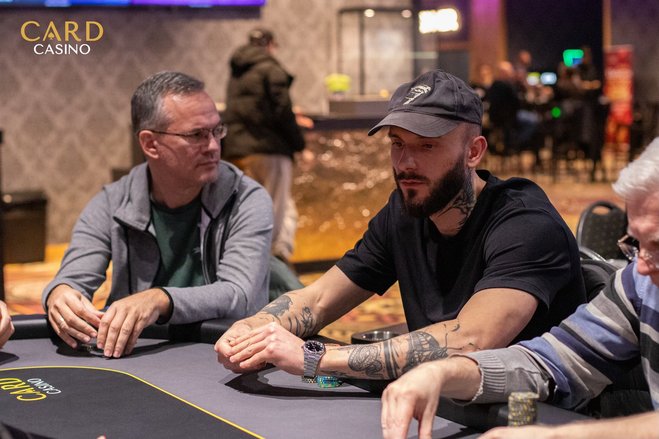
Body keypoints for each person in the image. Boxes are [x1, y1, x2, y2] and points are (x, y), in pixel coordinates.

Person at [214, 69, 586, 382]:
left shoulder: (526, 223)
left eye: (427, 146)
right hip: (441, 401)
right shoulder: (405, 213)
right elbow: (320, 298)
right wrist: (255, 328)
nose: (405, 163)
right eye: (398, 143)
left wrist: (315, 358)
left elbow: (472, 340)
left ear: (473, 152)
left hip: (539, 417)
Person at [380, 137, 659, 439]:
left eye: (656, 246)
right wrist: (443, 372)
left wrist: (559, 436)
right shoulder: (639, 284)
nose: (641, 265)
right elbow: (550, 362)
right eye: (636, 243)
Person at [42, 71, 273, 358]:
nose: (214, 146)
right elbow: (72, 278)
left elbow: (239, 295)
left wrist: (158, 299)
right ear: (150, 144)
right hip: (138, 356)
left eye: (217, 131)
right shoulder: (113, 202)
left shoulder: (247, 198)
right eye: (197, 135)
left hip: (226, 353)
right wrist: (60, 293)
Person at [222, 28, 313, 264]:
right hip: (270, 150)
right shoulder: (271, 69)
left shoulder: (238, 71)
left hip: (238, 151)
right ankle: (271, 267)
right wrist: (299, 145)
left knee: (249, 209)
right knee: (276, 211)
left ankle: (251, 263)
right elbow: (282, 112)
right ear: (271, 45)